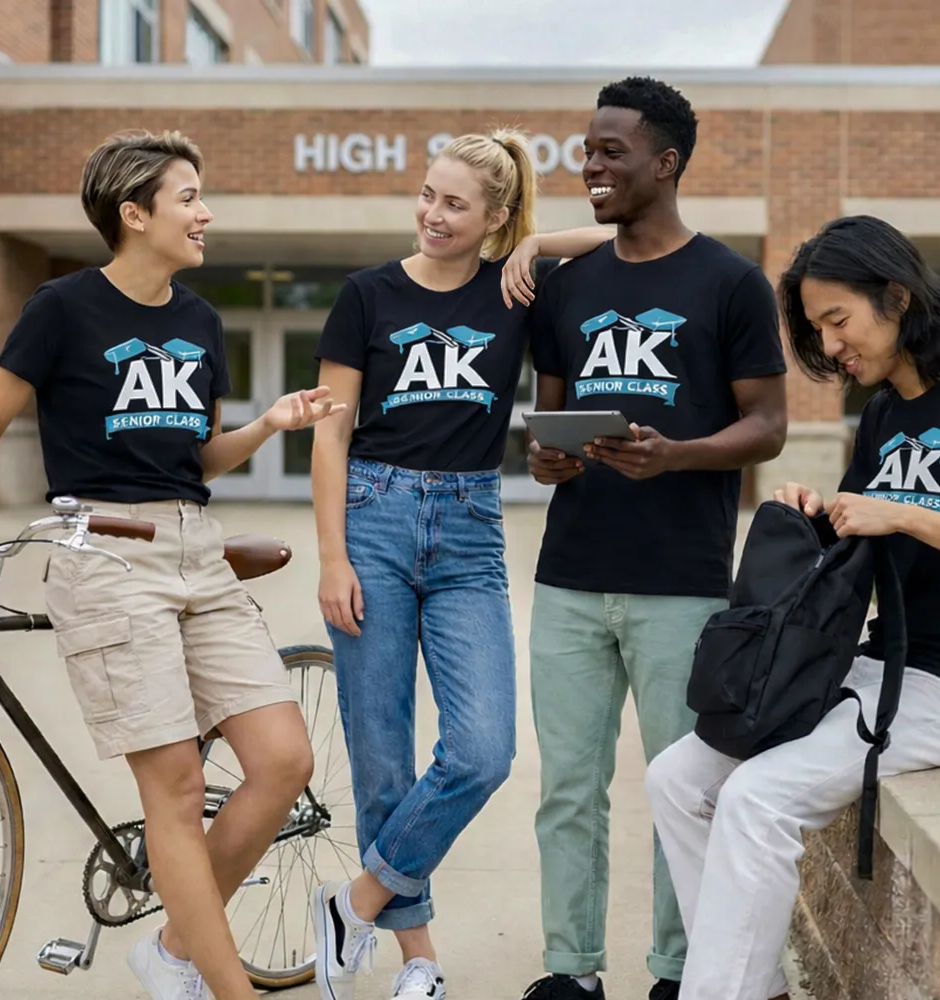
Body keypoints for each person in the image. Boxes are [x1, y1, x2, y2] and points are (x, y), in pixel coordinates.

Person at [0, 129, 345, 1000]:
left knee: (284, 760)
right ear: (133, 213)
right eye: (189, 197)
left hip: (195, 548)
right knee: (177, 789)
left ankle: (178, 947)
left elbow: (195, 462)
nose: (205, 212)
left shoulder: (199, 319)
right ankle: (230, 990)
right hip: (103, 553)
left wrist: (265, 427)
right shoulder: (61, 308)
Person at [309, 128, 613, 1000]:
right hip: (372, 513)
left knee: (482, 751)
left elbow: (626, 243)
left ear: (494, 216)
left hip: (471, 526)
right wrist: (333, 554)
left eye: (454, 203)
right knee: (382, 754)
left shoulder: (518, 288)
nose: (432, 214)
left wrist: (536, 245)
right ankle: (421, 964)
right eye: (428, 195)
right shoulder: (366, 295)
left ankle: (356, 902)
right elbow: (332, 433)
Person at [645, 214, 940, 1000]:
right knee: (677, 779)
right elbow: (860, 552)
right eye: (817, 328)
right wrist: (815, 519)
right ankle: (746, 988)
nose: (830, 348)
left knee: (758, 799)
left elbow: (903, 520)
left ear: (895, 296)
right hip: (878, 665)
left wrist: (900, 514)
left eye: (838, 321)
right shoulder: (885, 416)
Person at [520, 77, 788, 1000]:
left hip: (683, 582)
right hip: (569, 576)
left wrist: (677, 456)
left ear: (665, 163)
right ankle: (571, 969)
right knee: (568, 791)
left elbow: (769, 425)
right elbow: (545, 425)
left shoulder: (731, 283)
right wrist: (547, 461)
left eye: (610, 152)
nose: (590, 166)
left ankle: (681, 973)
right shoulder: (569, 284)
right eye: (586, 150)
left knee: (684, 791)